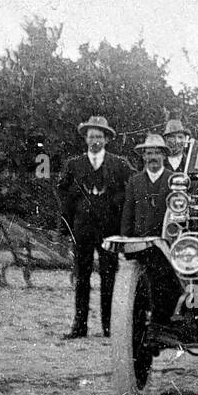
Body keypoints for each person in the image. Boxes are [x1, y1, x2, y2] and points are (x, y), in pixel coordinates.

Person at [57, 115, 134, 339]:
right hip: (82, 229)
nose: (95, 140)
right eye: (91, 136)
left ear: (107, 139)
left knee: (109, 276)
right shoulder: (74, 164)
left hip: (109, 229)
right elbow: (63, 195)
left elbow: (132, 188)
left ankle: (108, 326)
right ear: (85, 138)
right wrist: (66, 226)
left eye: (99, 136)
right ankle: (79, 326)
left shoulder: (119, 164)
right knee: (82, 277)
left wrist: (115, 202)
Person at [121, 134, 173, 237]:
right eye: (149, 153)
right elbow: (128, 214)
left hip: (166, 241)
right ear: (144, 156)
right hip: (140, 242)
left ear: (164, 156)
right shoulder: (134, 181)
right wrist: (125, 240)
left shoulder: (173, 180)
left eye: (157, 153)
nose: (153, 157)